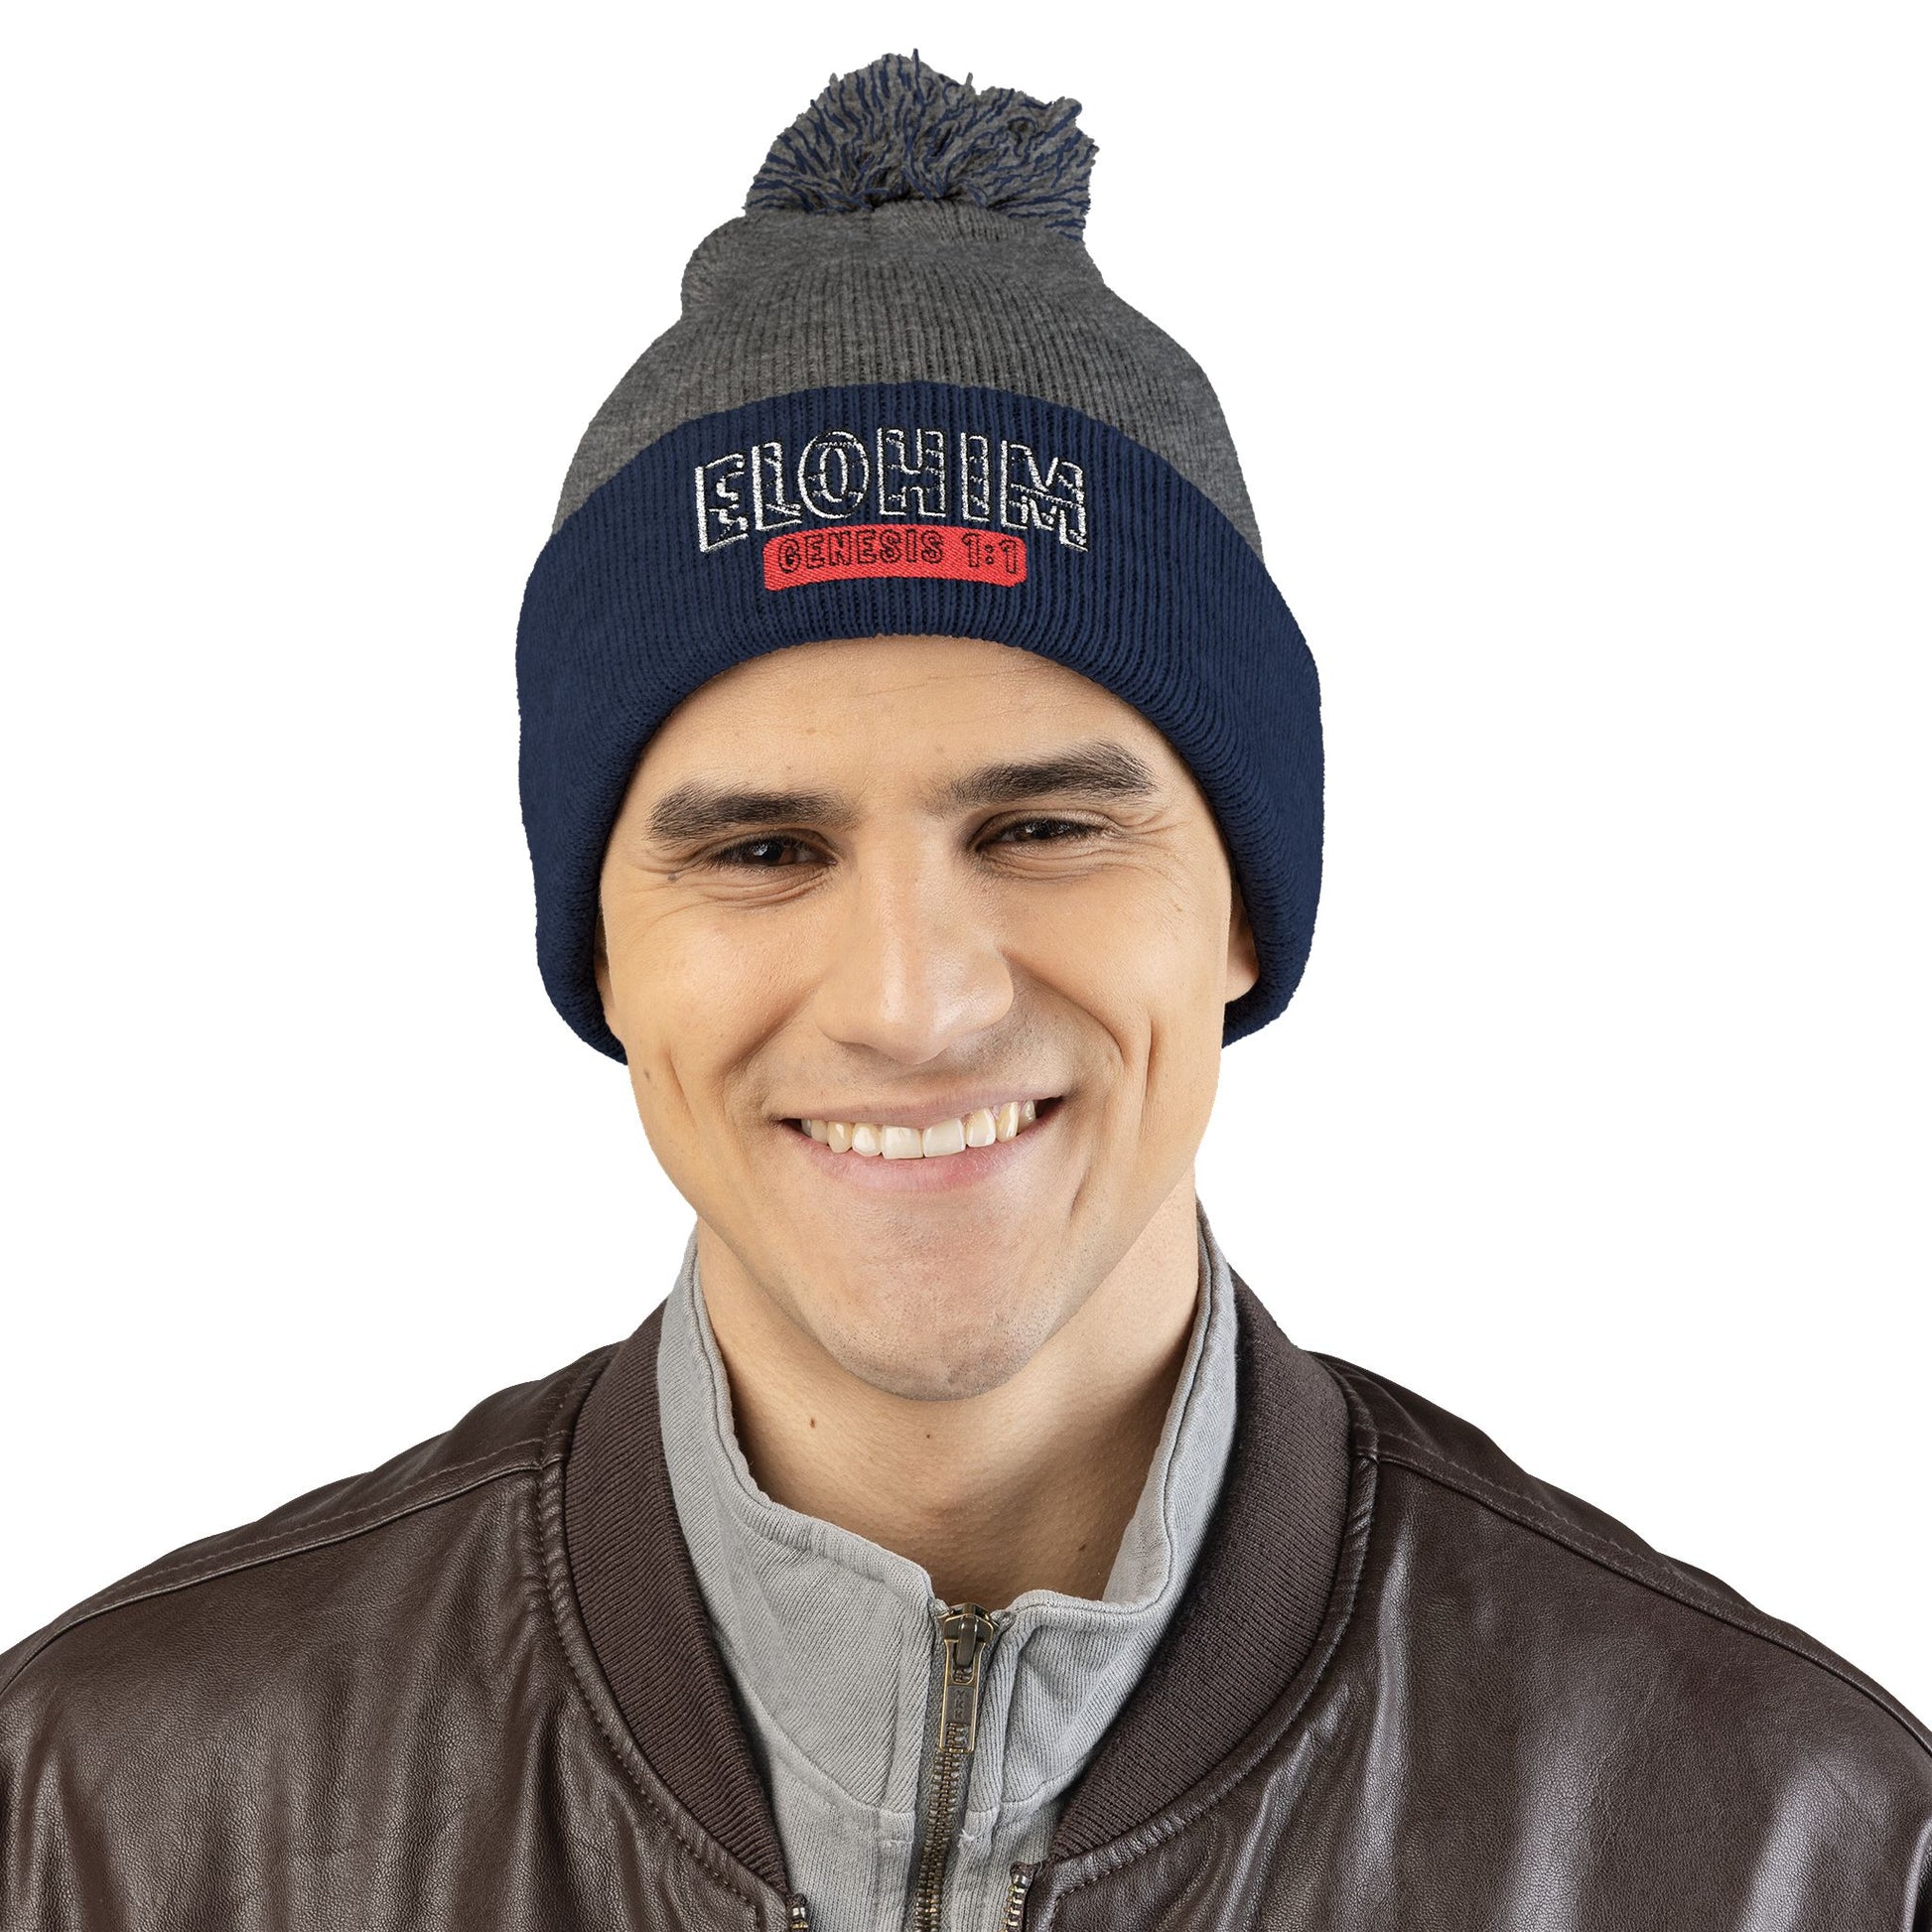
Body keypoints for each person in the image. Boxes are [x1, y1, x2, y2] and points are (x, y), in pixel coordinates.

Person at [2, 51, 1925, 1932]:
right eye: (763, 850)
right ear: (599, 948)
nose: (912, 1002)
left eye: (1042, 829)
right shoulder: (103, 1816)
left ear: (1244, 907)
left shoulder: (1792, 1853)